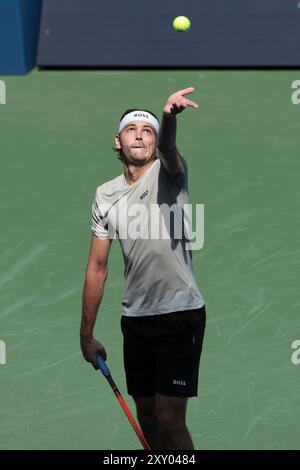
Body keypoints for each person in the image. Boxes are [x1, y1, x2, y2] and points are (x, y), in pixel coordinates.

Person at [80, 87, 206, 450]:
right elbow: (97, 268)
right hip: (136, 318)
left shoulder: (169, 173)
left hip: (180, 313)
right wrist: (86, 335)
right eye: (132, 129)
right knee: (147, 414)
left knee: (169, 416)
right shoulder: (105, 195)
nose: (140, 134)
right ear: (117, 141)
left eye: (147, 130)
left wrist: (168, 118)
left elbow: (169, 148)